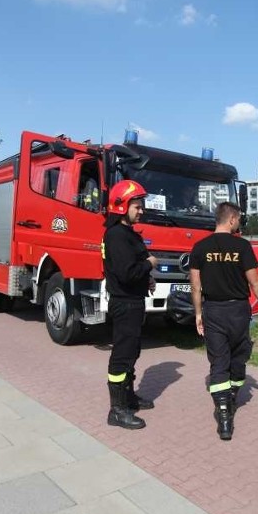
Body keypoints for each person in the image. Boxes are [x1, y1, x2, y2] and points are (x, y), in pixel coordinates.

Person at [189, 202, 258, 440]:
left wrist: (199, 314)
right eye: (238, 219)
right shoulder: (242, 246)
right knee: (239, 357)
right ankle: (231, 398)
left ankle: (224, 417)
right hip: (238, 311)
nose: (239, 223)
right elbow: (256, 282)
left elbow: (196, 286)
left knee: (219, 361)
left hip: (213, 311)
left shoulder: (199, 247)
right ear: (231, 219)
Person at [102, 180, 158, 430]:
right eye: (137, 205)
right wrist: (149, 265)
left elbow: (130, 269)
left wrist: (147, 279)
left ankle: (128, 398)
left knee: (132, 352)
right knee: (122, 356)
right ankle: (117, 410)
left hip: (133, 301)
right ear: (122, 206)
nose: (142, 210)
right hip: (124, 304)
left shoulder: (126, 234)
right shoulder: (116, 235)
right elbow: (126, 272)